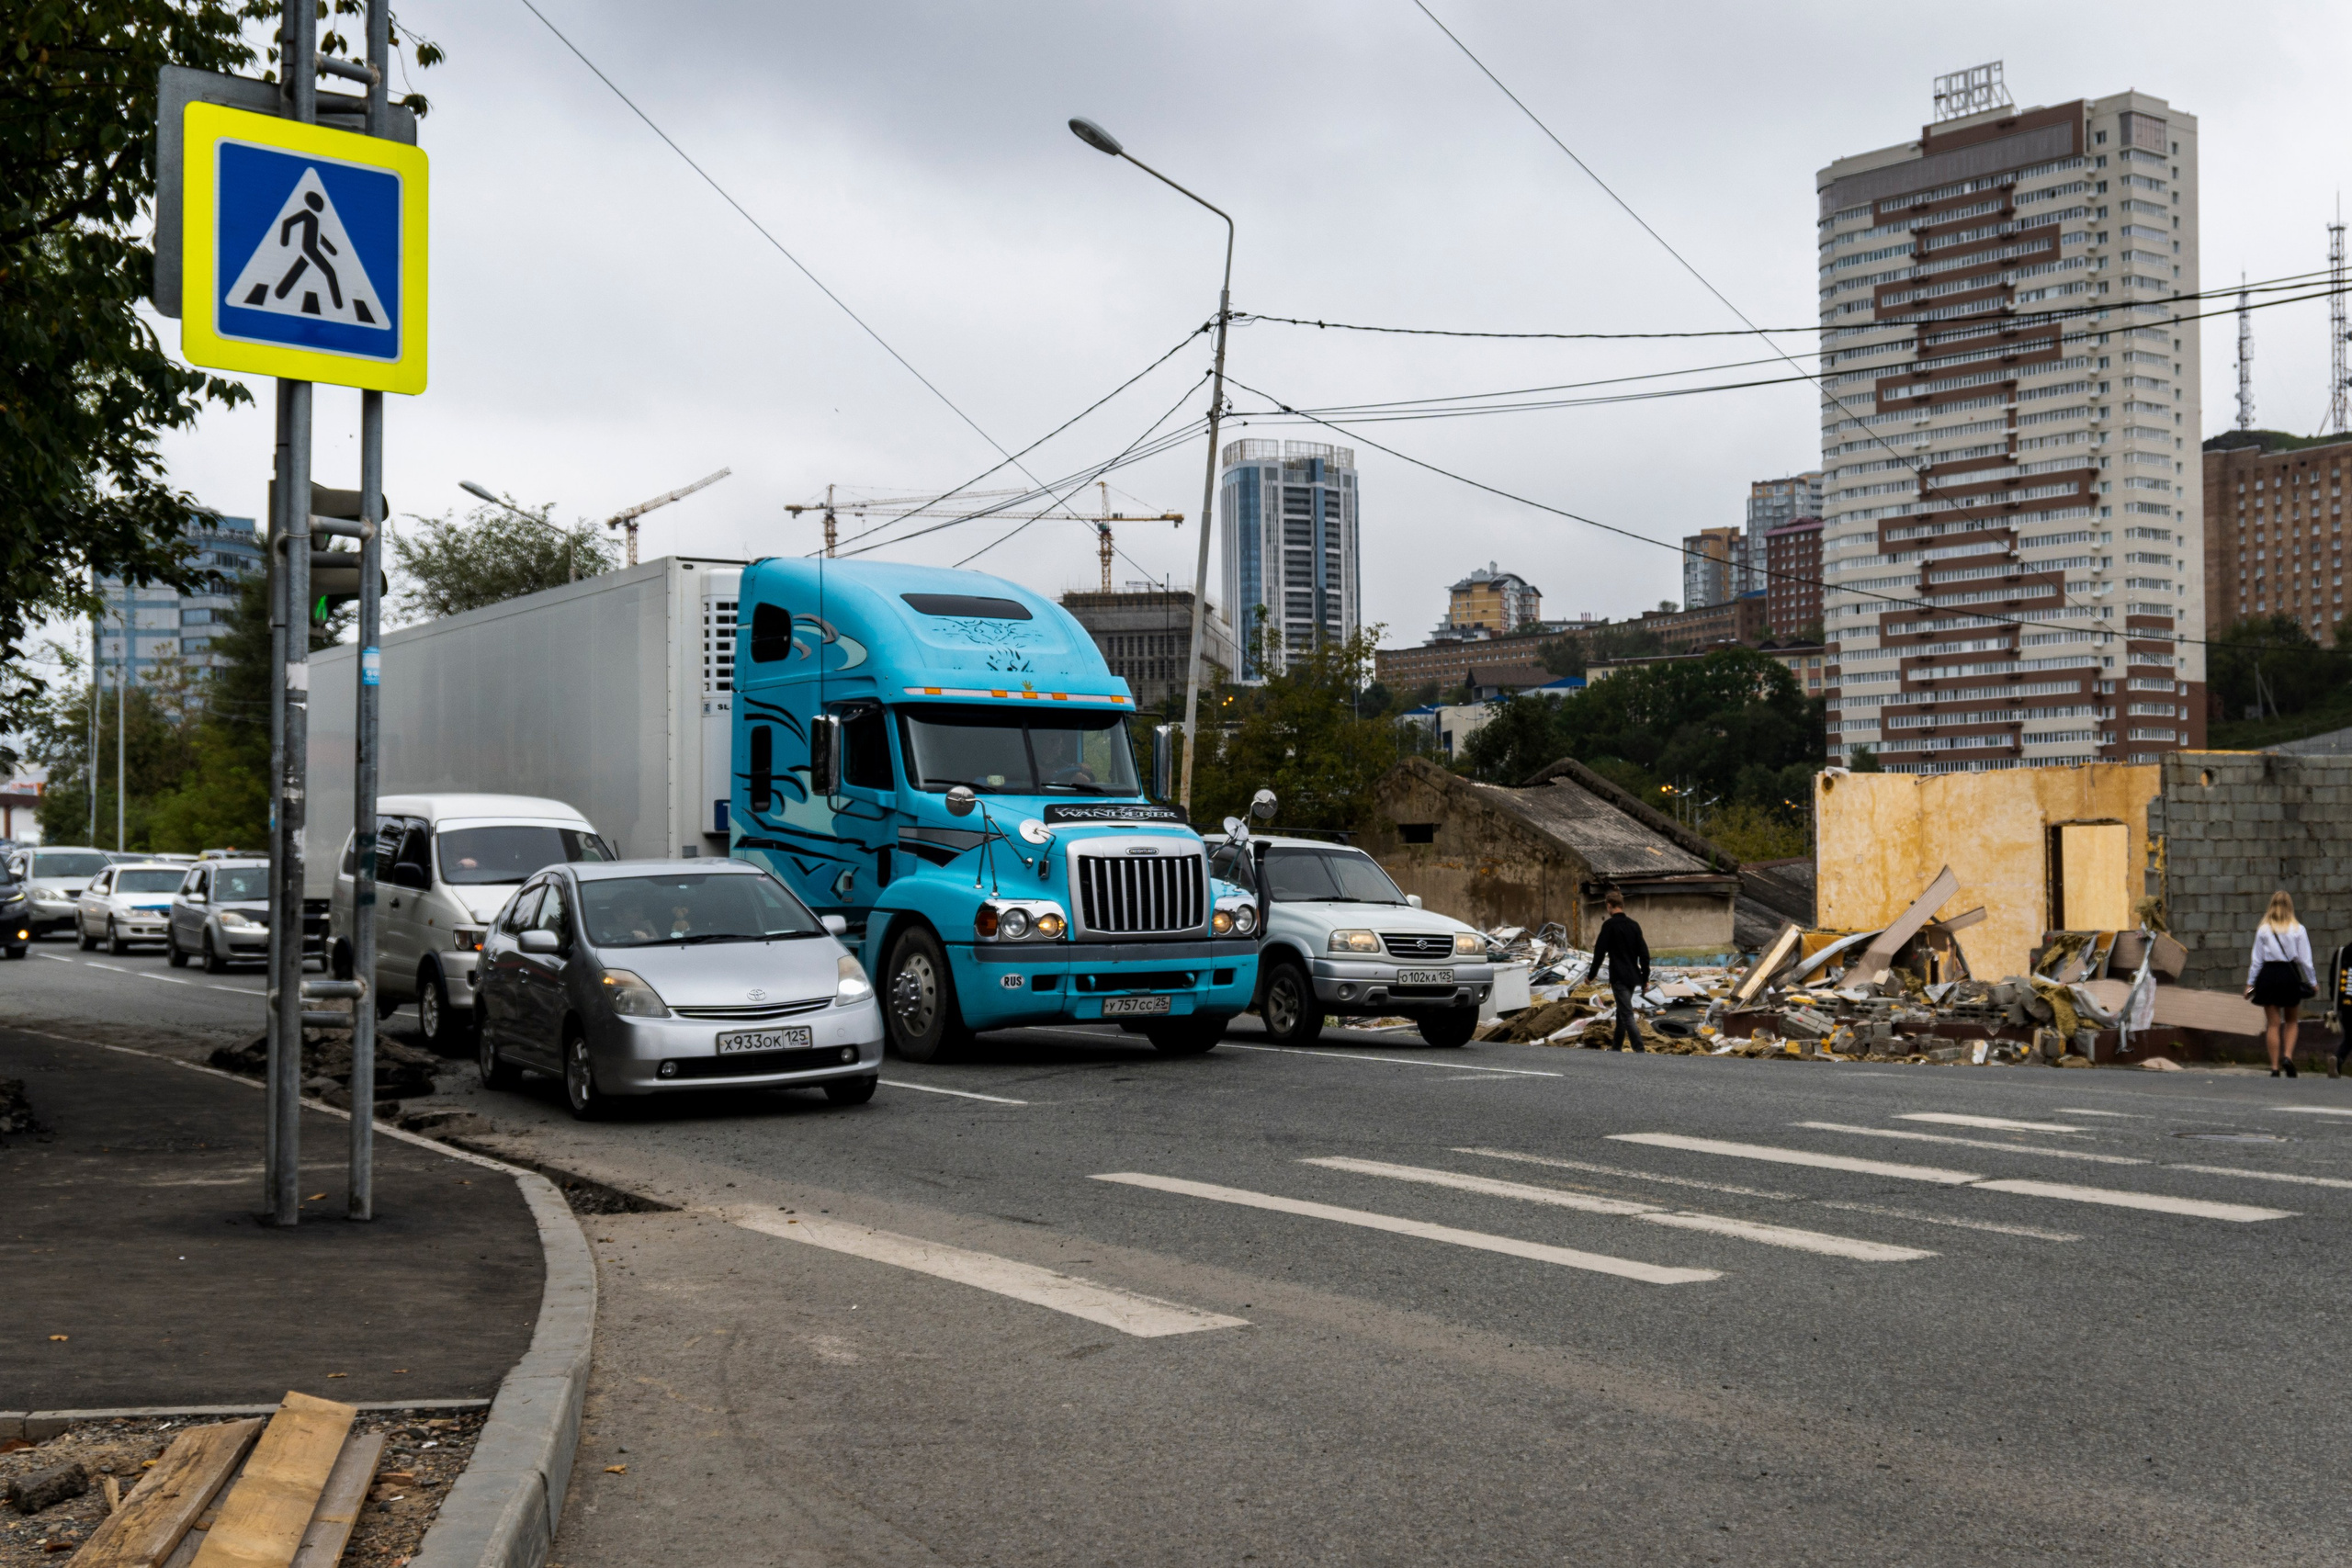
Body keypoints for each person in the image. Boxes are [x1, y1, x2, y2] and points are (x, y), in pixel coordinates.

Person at [2245, 889, 2316, 1078]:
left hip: (2268, 975)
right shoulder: (2298, 929)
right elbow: (2305, 960)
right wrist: (2313, 982)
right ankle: (2288, 1057)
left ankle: (2275, 1067)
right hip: (2289, 975)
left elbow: (2257, 961)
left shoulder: (2264, 930)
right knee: (2292, 1020)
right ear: (2290, 907)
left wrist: (2250, 984)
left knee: (2273, 1024)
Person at [1586, 887, 1651, 1053]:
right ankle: (1616, 1048)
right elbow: (1644, 954)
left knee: (1627, 1015)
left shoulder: (1609, 926)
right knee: (1623, 1011)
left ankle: (1640, 1050)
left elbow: (1599, 953)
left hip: (1619, 978)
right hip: (1633, 977)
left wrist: (1591, 976)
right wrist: (1645, 979)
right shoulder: (1634, 925)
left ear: (1609, 905)